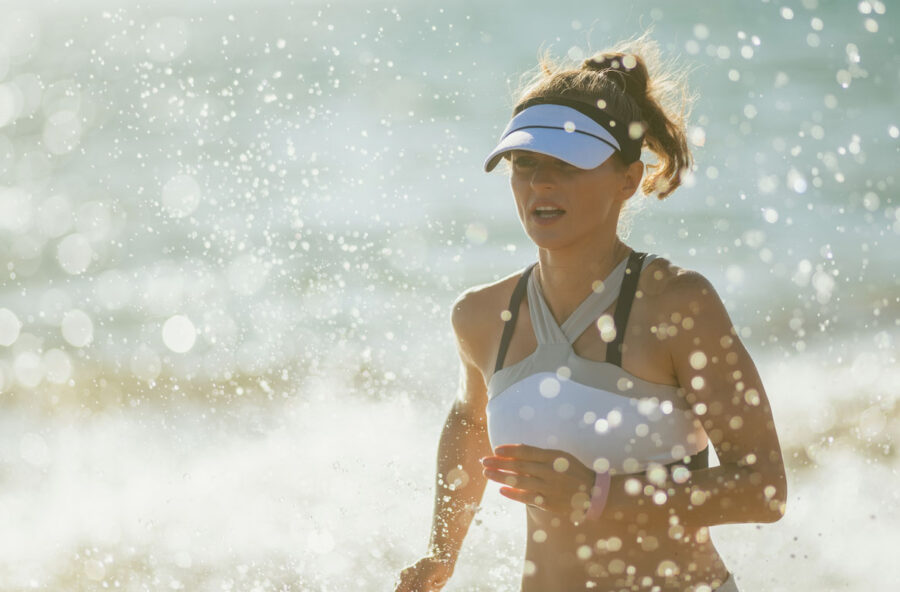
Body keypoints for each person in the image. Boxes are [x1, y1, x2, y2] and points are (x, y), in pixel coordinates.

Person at [395, 34, 787, 592]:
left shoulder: (679, 304)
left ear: (628, 180)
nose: (540, 182)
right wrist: (441, 552)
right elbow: (470, 423)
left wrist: (597, 495)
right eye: (524, 162)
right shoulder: (480, 318)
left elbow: (763, 489)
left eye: (568, 164)